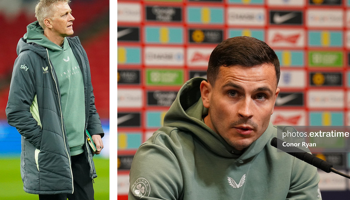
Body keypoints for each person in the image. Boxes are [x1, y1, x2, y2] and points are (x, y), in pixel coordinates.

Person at [128, 36, 321, 200]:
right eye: (232, 93)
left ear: (274, 100)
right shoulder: (163, 154)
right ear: (206, 94)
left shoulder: (293, 150)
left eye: (260, 96)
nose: (246, 111)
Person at [5, 0, 104, 199]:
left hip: (81, 156)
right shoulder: (28, 59)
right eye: (65, 14)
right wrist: (47, 142)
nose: (72, 18)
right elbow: (15, 111)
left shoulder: (76, 49)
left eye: (71, 12)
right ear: (48, 22)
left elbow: (87, 96)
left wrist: (95, 130)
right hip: (51, 160)